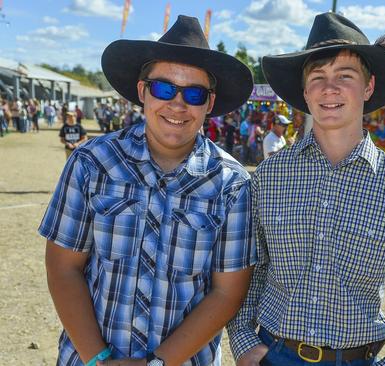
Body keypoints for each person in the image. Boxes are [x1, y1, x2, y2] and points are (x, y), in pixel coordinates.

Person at [228, 12, 385, 366]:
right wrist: (243, 339)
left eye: (344, 76)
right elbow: (250, 265)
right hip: (271, 354)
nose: (329, 88)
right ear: (305, 92)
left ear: (368, 87)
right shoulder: (269, 176)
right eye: (317, 77)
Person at [39, 15, 255, 366]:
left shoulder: (232, 184)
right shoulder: (91, 162)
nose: (178, 104)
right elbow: (63, 268)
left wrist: (156, 363)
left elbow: (227, 293)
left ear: (209, 104)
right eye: (164, 88)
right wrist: (98, 359)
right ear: (142, 91)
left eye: (195, 93)